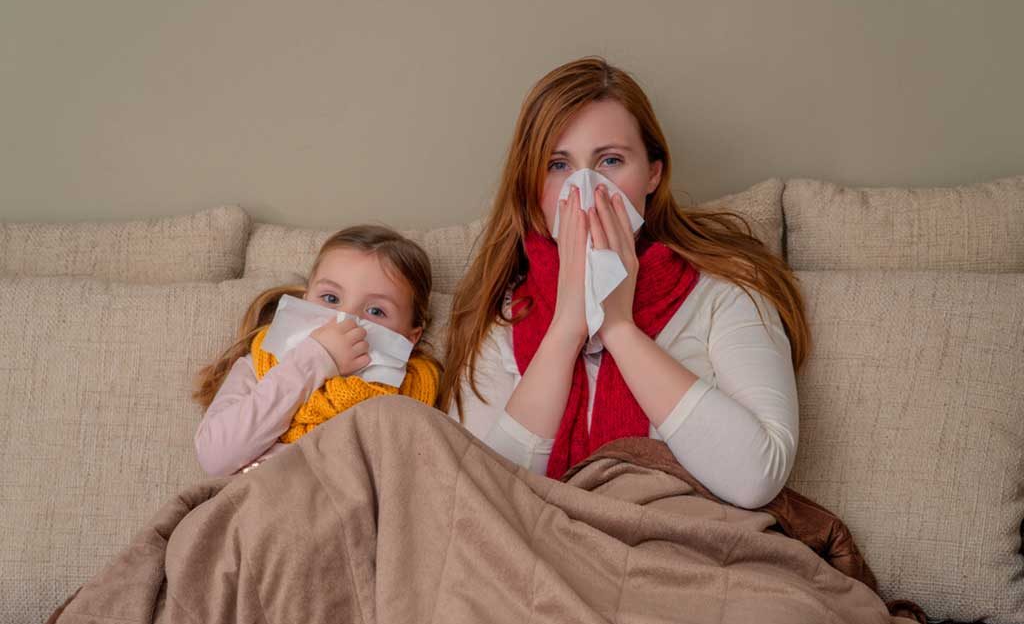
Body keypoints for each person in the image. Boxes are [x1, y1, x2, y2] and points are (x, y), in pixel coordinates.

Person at [440, 56, 808, 509]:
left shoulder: (725, 291)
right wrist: (568, 326)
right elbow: (475, 503)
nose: (586, 186)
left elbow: (757, 477)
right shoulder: (502, 315)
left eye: (610, 160)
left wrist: (618, 327)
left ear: (653, 173)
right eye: (559, 165)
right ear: (531, 190)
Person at [192, 224, 441, 477]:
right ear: (305, 299)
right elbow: (215, 457)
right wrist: (314, 360)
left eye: (376, 311)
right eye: (331, 299)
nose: (344, 321)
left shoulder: (412, 394)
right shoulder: (259, 364)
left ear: (410, 337)